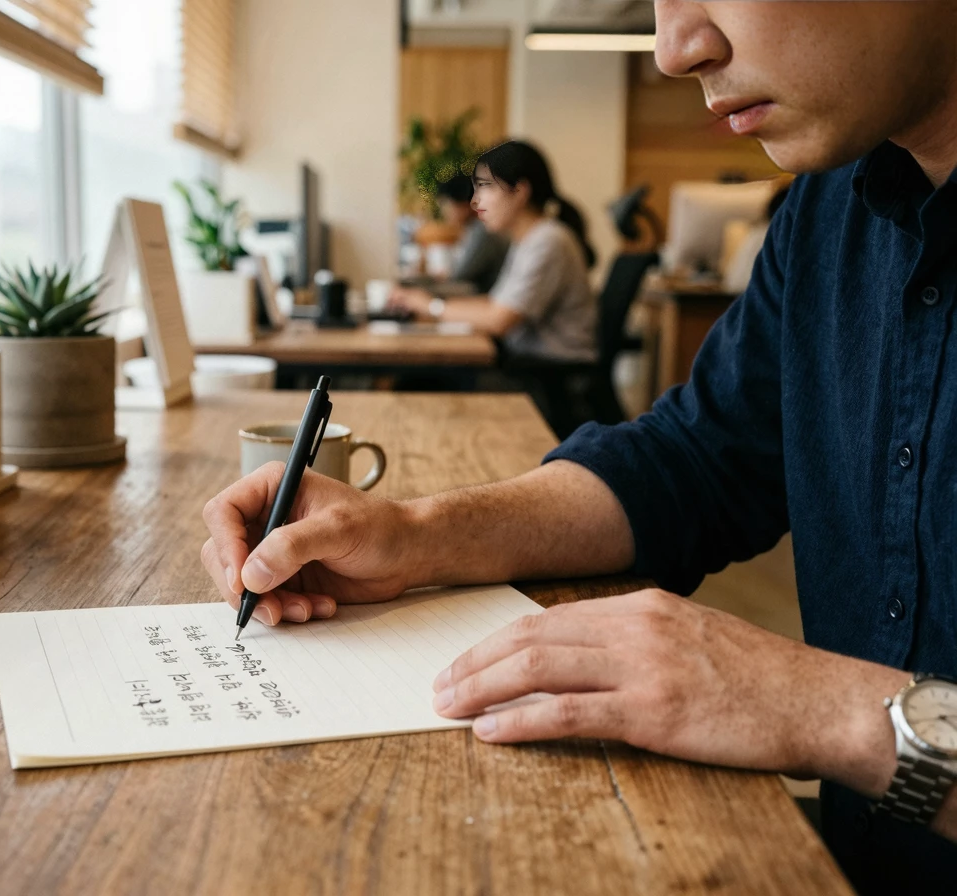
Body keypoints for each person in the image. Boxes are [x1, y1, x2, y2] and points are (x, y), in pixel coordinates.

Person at [200, 3, 957, 891]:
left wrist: (824, 711)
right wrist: (413, 533)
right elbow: (695, 459)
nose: (675, 50)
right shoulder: (826, 208)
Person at [390, 141, 599, 363]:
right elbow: (495, 304)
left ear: (520, 191)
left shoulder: (548, 241)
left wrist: (431, 306)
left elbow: (499, 320)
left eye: (485, 187)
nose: (475, 201)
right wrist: (426, 305)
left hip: (550, 370)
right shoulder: (527, 240)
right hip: (530, 363)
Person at [427, 173, 509, 295]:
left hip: (486, 300)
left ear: (465, 204)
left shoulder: (483, 231)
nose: (444, 211)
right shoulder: (474, 229)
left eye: (447, 204)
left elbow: (459, 275)